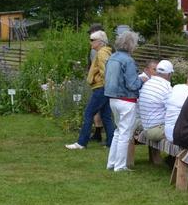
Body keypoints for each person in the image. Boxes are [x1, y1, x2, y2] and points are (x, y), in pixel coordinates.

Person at [66, 30, 115, 150]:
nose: (90, 42)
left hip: (101, 88)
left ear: (100, 42)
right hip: (104, 88)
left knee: (88, 113)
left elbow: (106, 71)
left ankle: (81, 143)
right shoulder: (104, 52)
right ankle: (112, 143)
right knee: (106, 116)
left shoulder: (102, 53)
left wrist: (105, 85)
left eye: (92, 40)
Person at [103, 30, 144, 172]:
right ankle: (120, 166)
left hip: (112, 99)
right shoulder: (128, 60)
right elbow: (133, 84)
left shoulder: (112, 57)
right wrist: (142, 80)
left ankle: (112, 162)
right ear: (131, 45)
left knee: (118, 131)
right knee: (125, 134)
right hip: (126, 100)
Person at [137, 59, 173, 142]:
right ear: (169, 74)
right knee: (185, 130)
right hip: (155, 130)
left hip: (145, 127)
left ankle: (171, 155)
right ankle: (178, 155)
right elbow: (172, 111)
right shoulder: (166, 88)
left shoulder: (148, 83)